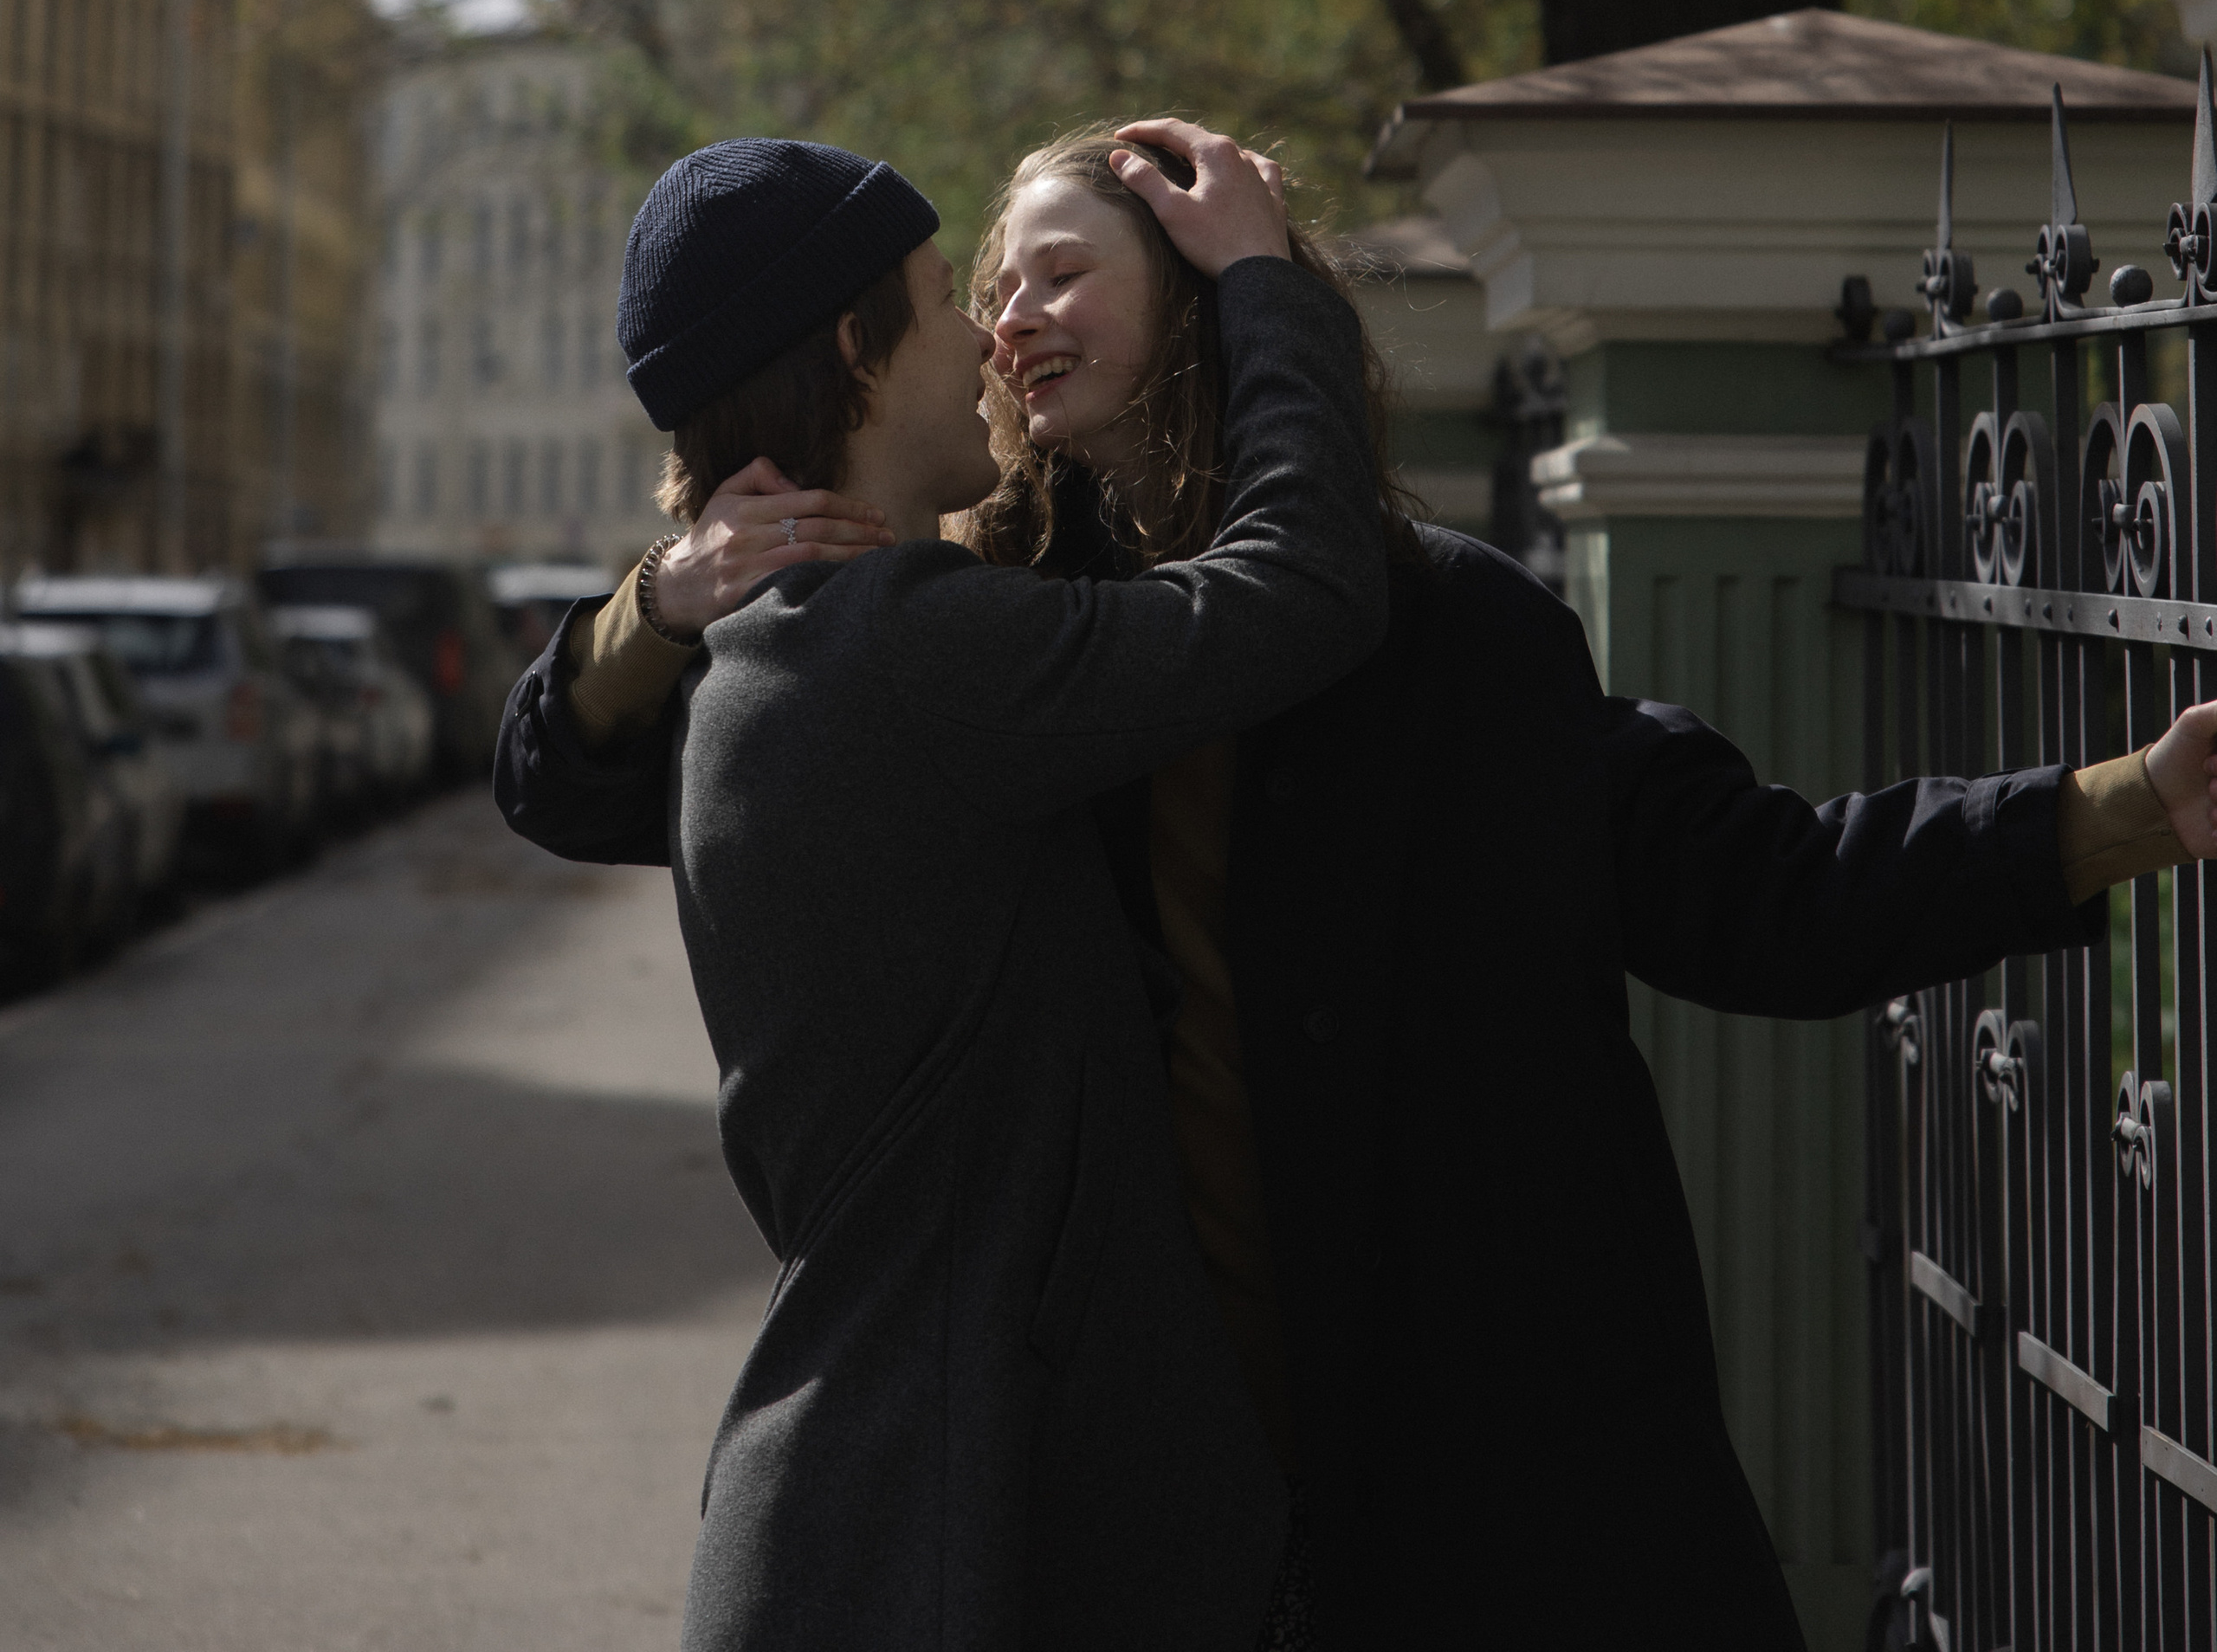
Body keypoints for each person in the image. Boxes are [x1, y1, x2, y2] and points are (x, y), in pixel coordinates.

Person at [501, 121, 2217, 1652]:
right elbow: (591, 787)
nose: (1003, 320)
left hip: (1465, 1451)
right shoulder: (957, 648)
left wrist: (2117, 811)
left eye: (1055, 273)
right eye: (979, 286)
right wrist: (655, 603)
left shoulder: (1437, 630)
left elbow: (1743, 887)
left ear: (1208, 305)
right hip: (1130, 1506)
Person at [508, 117, 1387, 1652]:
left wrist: (664, 608)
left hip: (883, 1508)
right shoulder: (904, 657)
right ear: (854, 349)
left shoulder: (782, 654)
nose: (987, 330)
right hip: (948, 1529)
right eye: (941, 295)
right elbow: (1303, 591)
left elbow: (563, 782)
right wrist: (1264, 286)